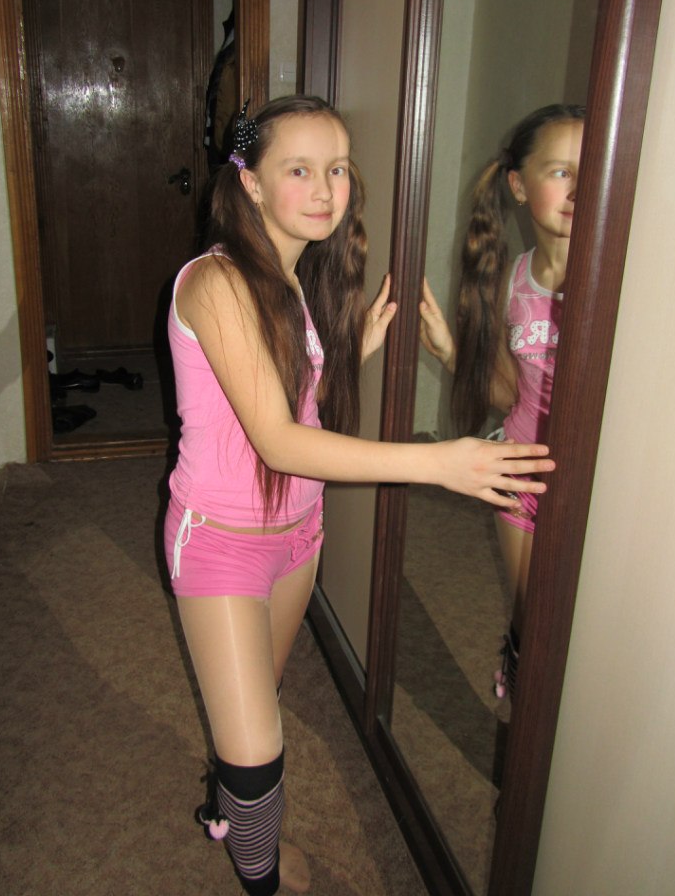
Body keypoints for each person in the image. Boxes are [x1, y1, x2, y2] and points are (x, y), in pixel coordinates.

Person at [164, 95, 555, 895]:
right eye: (299, 170)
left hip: (299, 534)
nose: (324, 189)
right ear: (249, 183)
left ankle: (224, 796)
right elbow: (277, 441)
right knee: (258, 752)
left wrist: (354, 353)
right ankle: (260, 873)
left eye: (337, 169)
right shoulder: (217, 281)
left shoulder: (288, 276)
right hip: (220, 541)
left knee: (259, 698)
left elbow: (288, 403)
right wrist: (435, 463)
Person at [419, 103, 584, 700]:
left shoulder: (617, 280)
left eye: (593, 172)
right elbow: (510, 392)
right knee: (531, 615)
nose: (579, 189)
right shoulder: (514, 280)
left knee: (577, 625)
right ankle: (519, 675)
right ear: (518, 185)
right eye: (560, 172)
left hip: (590, 481)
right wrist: (450, 352)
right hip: (521, 470)